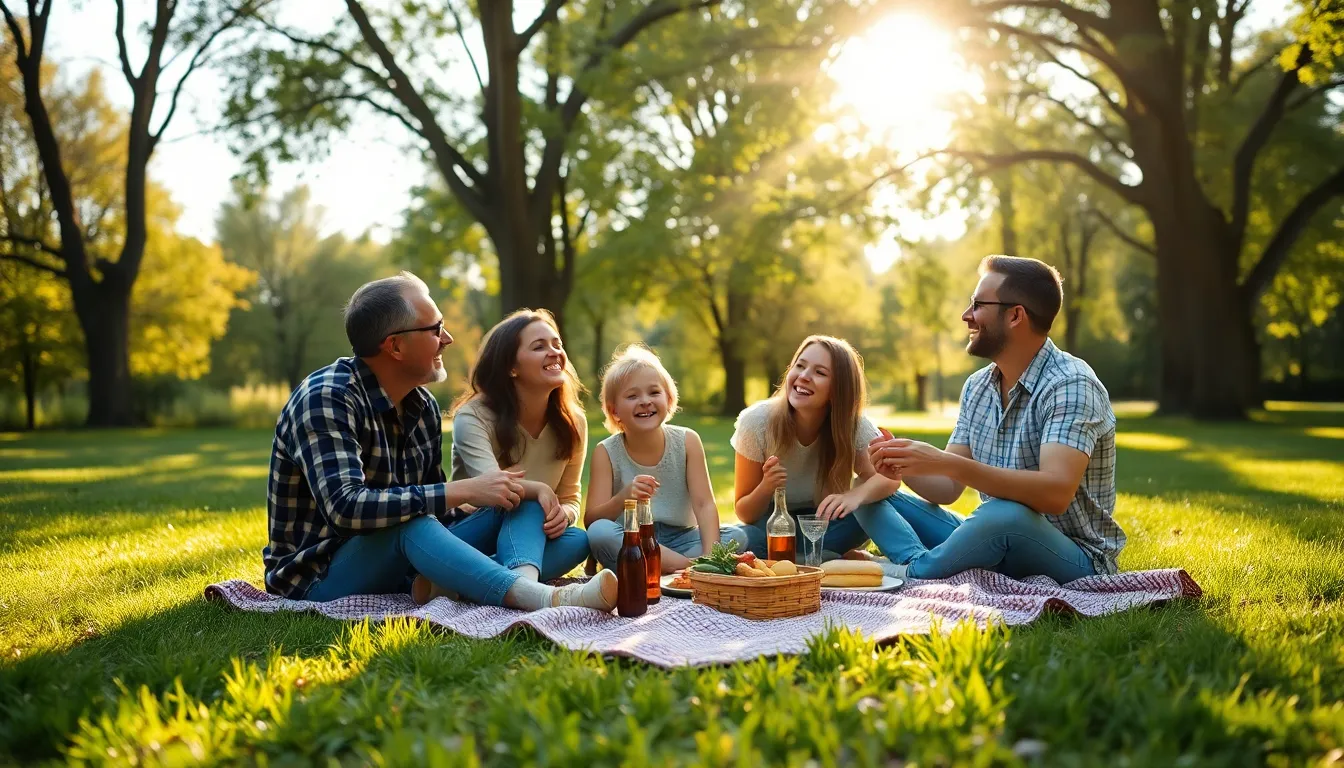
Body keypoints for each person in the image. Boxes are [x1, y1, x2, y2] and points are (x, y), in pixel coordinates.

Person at [262, 273, 617, 612]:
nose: (447, 338)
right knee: (411, 524)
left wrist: (516, 497)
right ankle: (537, 597)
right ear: (396, 346)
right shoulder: (327, 398)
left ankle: (461, 582)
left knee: (537, 514)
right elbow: (347, 508)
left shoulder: (422, 406)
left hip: (405, 563)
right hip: (319, 576)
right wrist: (463, 491)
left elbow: (433, 506)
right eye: (434, 329)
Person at [864, 255, 1125, 583]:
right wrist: (901, 465)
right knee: (870, 493)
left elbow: (1055, 493)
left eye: (977, 305)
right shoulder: (978, 387)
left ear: (1016, 316)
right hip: (998, 533)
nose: (966, 316)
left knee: (1004, 513)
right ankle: (917, 560)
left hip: (1076, 558)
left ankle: (913, 569)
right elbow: (947, 489)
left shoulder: (1071, 384)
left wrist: (946, 462)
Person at [449, 308, 595, 594]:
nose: (554, 352)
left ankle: (465, 584)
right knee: (524, 500)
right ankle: (527, 590)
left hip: (528, 536)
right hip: (468, 534)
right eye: (539, 347)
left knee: (579, 540)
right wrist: (539, 490)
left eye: (557, 344)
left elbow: (570, 497)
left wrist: (562, 515)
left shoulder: (574, 422)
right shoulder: (473, 416)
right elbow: (495, 488)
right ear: (511, 367)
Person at [730, 335, 909, 559]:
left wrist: (855, 496)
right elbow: (745, 513)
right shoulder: (757, 422)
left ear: (838, 389)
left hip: (825, 525)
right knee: (745, 538)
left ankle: (808, 557)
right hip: (771, 528)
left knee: (869, 509)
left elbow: (889, 479)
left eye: (820, 372)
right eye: (800, 366)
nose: (804, 377)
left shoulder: (854, 426)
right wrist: (766, 486)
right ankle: (825, 557)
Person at [585, 344, 749, 571]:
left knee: (736, 536)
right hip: (632, 538)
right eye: (632, 396)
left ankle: (668, 566)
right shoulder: (606, 452)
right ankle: (688, 568)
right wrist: (623, 497)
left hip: (682, 538)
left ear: (669, 399)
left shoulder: (687, 441)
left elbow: (704, 504)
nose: (645, 401)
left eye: (654, 392)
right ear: (614, 411)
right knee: (600, 533)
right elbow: (592, 520)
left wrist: (712, 555)